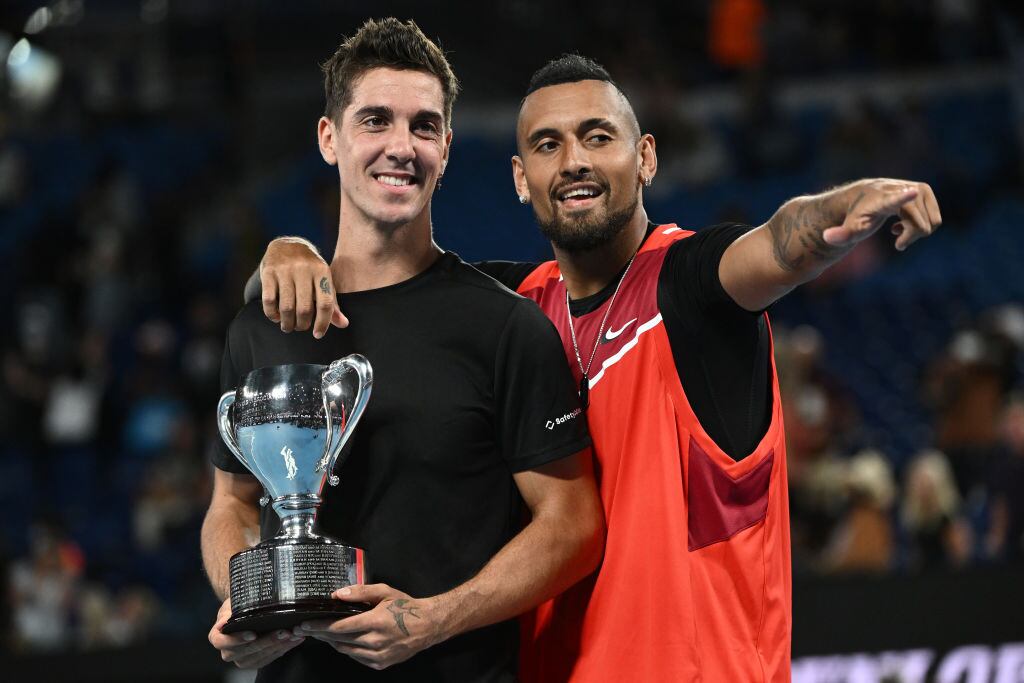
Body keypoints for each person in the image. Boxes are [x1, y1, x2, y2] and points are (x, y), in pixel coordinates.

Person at [254, 55, 942, 682]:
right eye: (548, 145)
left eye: (598, 136)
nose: (574, 160)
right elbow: (373, 286)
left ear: (645, 158)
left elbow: (777, 247)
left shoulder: (691, 285)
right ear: (522, 180)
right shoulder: (511, 310)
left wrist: (842, 209)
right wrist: (288, 253)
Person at [201, 22, 604, 682]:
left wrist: (434, 618)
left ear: (446, 148)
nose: (401, 146)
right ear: (329, 138)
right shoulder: (264, 322)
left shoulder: (506, 325)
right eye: (376, 120)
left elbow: (574, 523)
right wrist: (244, 598)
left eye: (423, 126)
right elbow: (230, 504)